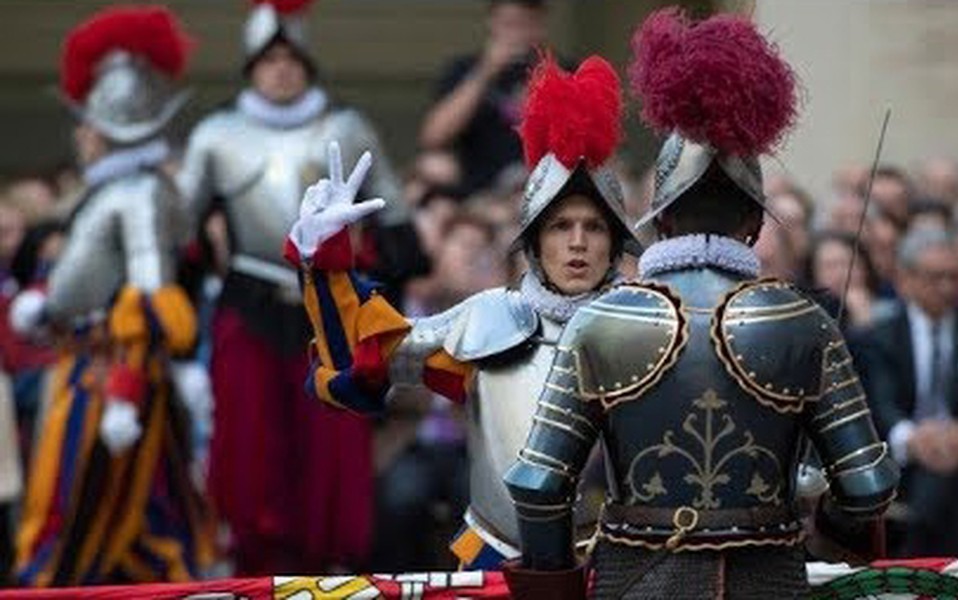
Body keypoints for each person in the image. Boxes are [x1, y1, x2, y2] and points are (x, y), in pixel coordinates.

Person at [501, 10, 898, 599]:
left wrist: (555, 591)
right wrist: (832, 533)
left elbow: (540, 485)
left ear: (661, 218)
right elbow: (867, 486)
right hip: (766, 581)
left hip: (638, 579)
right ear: (755, 221)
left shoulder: (602, 321)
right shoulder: (802, 322)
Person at [284, 54, 641, 569]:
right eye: (561, 227)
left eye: (595, 227)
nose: (578, 242)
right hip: (497, 561)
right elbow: (364, 362)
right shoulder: (490, 320)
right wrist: (327, 261)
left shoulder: (648, 328)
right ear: (534, 242)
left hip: (616, 564)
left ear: (615, 241)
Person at [177, 0, 418, 573]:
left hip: (330, 307)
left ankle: (332, 565)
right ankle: (255, 566)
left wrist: (382, 312)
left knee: (332, 446)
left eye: (291, 59)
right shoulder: (215, 136)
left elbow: (397, 229)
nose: (281, 70)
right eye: (269, 60)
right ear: (251, 68)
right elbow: (181, 238)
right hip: (250, 304)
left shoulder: (346, 128)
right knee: (249, 447)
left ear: (307, 65)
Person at [9, 6, 213, 585]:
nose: (79, 135)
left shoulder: (137, 195)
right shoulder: (111, 190)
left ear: (109, 129)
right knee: (136, 512)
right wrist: (47, 309)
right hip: (85, 361)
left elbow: (150, 301)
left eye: (87, 124)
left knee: (73, 510)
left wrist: (124, 392)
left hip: (108, 377)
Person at [858, 229, 958, 556]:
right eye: (935, 278)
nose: (947, 287)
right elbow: (881, 404)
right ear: (907, 280)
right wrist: (913, 438)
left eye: (954, 277)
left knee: (946, 478)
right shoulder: (882, 337)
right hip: (902, 459)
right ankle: (945, 571)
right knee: (940, 481)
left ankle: (915, 565)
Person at [419, 0, 549, 197]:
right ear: (492, 22)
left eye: (525, 24)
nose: (516, 35)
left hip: (540, 185)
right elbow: (433, 137)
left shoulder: (561, 71)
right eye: (509, 24)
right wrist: (485, 72)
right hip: (476, 189)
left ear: (540, 27)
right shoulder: (463, 69)